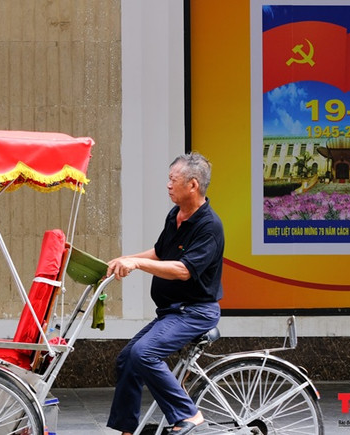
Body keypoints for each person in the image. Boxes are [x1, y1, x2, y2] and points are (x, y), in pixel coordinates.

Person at [106, 152, 224, 435]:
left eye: (173, 180)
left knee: (144, 354)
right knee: (127, 359)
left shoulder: (209, 226)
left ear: (192, 185)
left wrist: (136, 264)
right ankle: (127, 430)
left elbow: (184, 270)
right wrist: (123, 260)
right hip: (173, 311)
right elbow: (160, 254)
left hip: (195, 311)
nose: (168, 185)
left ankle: (188, 415)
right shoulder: (176, 215)